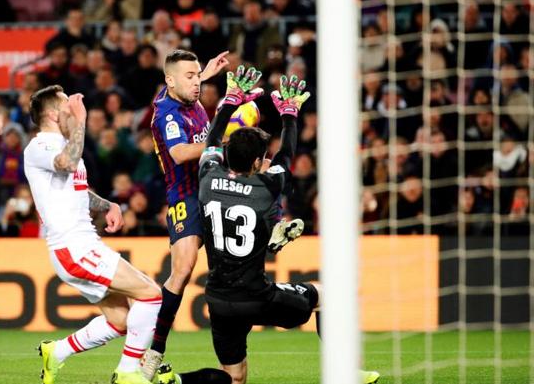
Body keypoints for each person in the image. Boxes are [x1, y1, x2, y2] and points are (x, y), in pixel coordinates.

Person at [192, 67, 380, 384]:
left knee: (234, 379)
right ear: (256, 163)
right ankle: (349, 372)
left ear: (225, 156)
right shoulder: (267, 187)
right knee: (329, 296)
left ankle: (177, 380)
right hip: (257, 296)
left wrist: (230, 101)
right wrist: (290, 114)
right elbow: (287, 154)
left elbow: (211, 138)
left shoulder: (208, 178)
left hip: (218, 299)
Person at [24, 85, 162, 384]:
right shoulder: (40, 146)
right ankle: (128, 372)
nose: (73, 110)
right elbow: (67, 163)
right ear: (51, 114)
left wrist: (107, 204)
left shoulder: (62, 143)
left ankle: (57, 352)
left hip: (84, 244)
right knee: (151, 295)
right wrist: (82, 121)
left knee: (123, 321)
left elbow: (75, 187)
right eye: (67, 107)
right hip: (73, 247)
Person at [141, 49, 230, 379]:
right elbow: (179, 153)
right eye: (190, 77)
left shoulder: (192, 99)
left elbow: (186, 82)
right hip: (184, 195)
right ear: (170, 81)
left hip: (212, 188)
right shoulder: (166, 112)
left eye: (197, 77)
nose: (198, 84)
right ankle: (154, 350)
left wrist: (202, 74)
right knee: (184, 267)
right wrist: (223, 146)